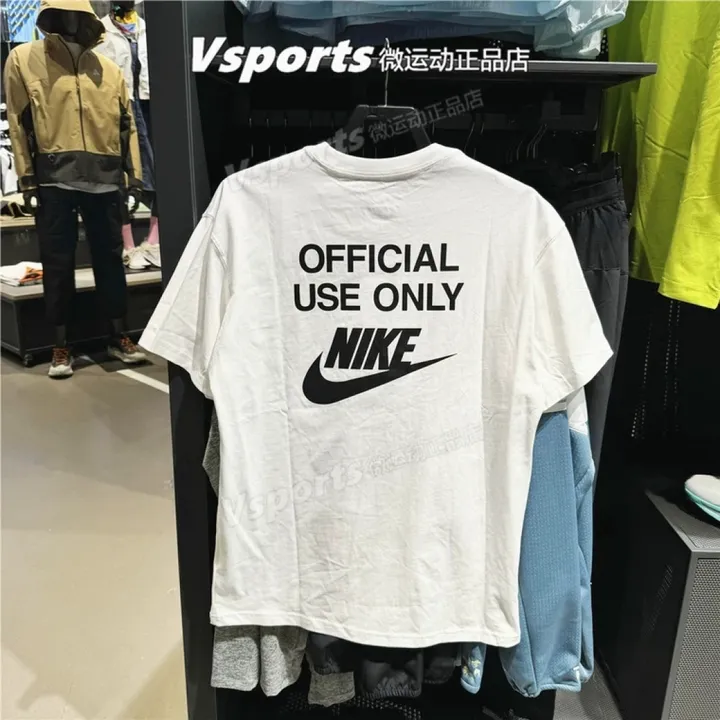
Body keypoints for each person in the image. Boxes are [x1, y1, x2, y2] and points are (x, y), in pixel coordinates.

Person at [3, 0, 147, 378]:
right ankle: (60, 344)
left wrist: (133, 176)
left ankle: (118, 334)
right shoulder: (23, 59)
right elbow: (18, 121)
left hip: (105, 178)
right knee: (57, 263)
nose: (70, 21)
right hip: (54, 179)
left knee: (110, 260)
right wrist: (26, 177)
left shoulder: (108, 69)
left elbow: (127, 124)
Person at [96, 0, 161, 271]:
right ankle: (128, 245)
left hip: (150, 107)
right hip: (118, 110)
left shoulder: (148, 30)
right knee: (122, 175)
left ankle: (154, 241)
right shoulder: (100, 32)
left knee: (160, 172)